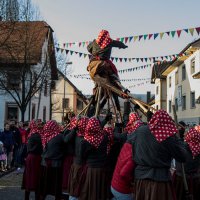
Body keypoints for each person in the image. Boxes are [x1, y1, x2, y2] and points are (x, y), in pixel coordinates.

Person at [131, 110, 188, 200]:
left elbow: (130, 145)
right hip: (159, 182)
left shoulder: (140, 130)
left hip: (141, 179)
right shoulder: (168, 136)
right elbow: (183, 156)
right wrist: (178, 138)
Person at [87, 30, 129, 111]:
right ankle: (118, 91)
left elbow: (88, 48)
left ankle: (95, 99)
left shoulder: (94, 42)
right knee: (113, 75)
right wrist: (123, 46)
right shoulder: (109, 41)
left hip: (93, 64)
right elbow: (118, 43)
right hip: (104, 64)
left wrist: (94, 52)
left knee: (98, 82)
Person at [111, 112, 143, 200]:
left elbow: (120, 136)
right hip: (122, 186)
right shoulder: (133, 149)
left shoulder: (129, 133)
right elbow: (125, 173)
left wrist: (111, 132)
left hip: (121, 161)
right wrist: (131, 184)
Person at [79, 117, 113, 200]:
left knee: (91, 191)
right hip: (102, 168)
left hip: (91, 169)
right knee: (100, 191)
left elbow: (82, 157)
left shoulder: (85, 141)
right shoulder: (104, 138)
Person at [174, 127, 200, 200]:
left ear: (188, 136)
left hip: (182, 179)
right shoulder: (198, 148)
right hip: (195, 179)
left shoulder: (182, 147)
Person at [22, 120, 43, 200]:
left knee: (29, 177)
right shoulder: (36, 135)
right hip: (35, 158)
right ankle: (36, 197)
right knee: (35, 178)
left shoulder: (31, 134)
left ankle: (27, 197)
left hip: (30, 157)